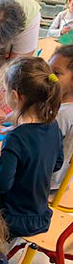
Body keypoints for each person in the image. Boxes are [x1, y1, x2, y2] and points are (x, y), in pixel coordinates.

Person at [0, 57, 63, 237]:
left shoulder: (16, 137)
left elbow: (2, 184)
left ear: (15, 96)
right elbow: (57, 163)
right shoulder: (53, 126)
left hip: (12, 219)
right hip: (40, 214)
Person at [49, 45, 73, 190]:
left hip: (46, 182)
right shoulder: (63, 107)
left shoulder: (62, 115)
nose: (48, 77)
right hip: (62, 180)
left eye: (56, 73)